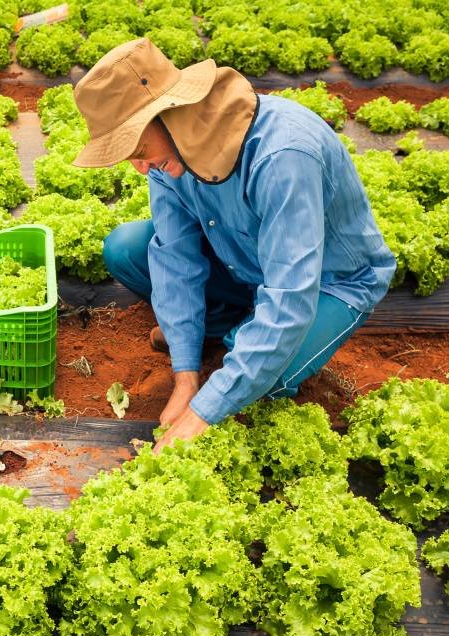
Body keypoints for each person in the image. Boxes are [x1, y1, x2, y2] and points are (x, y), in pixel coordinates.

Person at [71, 38, 396, 451]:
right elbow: (175, 257)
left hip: (326, 283)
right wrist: (186, 377)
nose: (139, 167)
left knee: (269, 376)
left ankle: (236, 335)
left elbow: (289, 296)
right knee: (128, 250)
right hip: (242, 263)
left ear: (168, 113)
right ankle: (232, 328)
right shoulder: (165, 153)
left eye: (137, 149)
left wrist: (204, 411)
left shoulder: (282, 155)